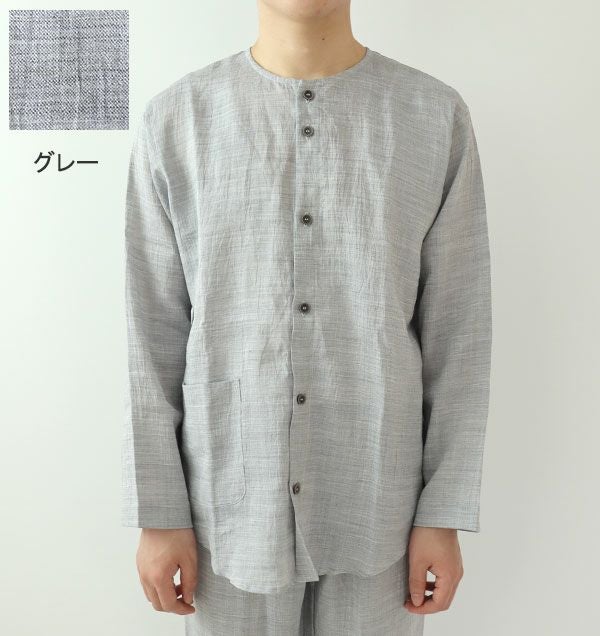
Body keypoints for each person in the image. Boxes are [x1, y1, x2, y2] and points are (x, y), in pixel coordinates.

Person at [121, 1, 492, 633]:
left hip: (379, 500)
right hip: (227, 505)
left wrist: (442, 511)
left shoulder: (434, 116)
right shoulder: (178, 120)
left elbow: (460, 333)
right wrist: (160, 515)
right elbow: (151, 333)